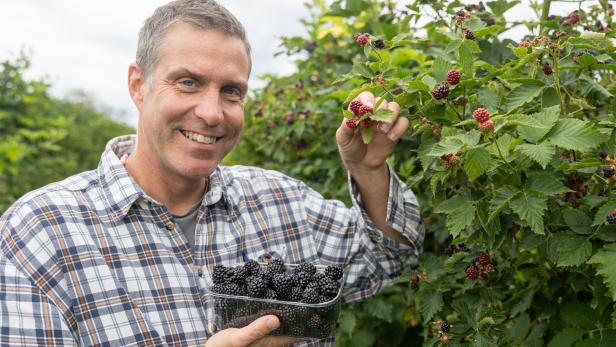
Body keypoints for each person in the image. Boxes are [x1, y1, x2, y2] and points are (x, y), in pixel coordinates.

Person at [0, 0, 424, 346]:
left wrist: (366, 169)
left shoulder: (284, 203)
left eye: (230, 91)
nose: (211, 112)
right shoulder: (42, 234)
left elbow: (389, 257)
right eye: (187, 82)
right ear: (138, 85)